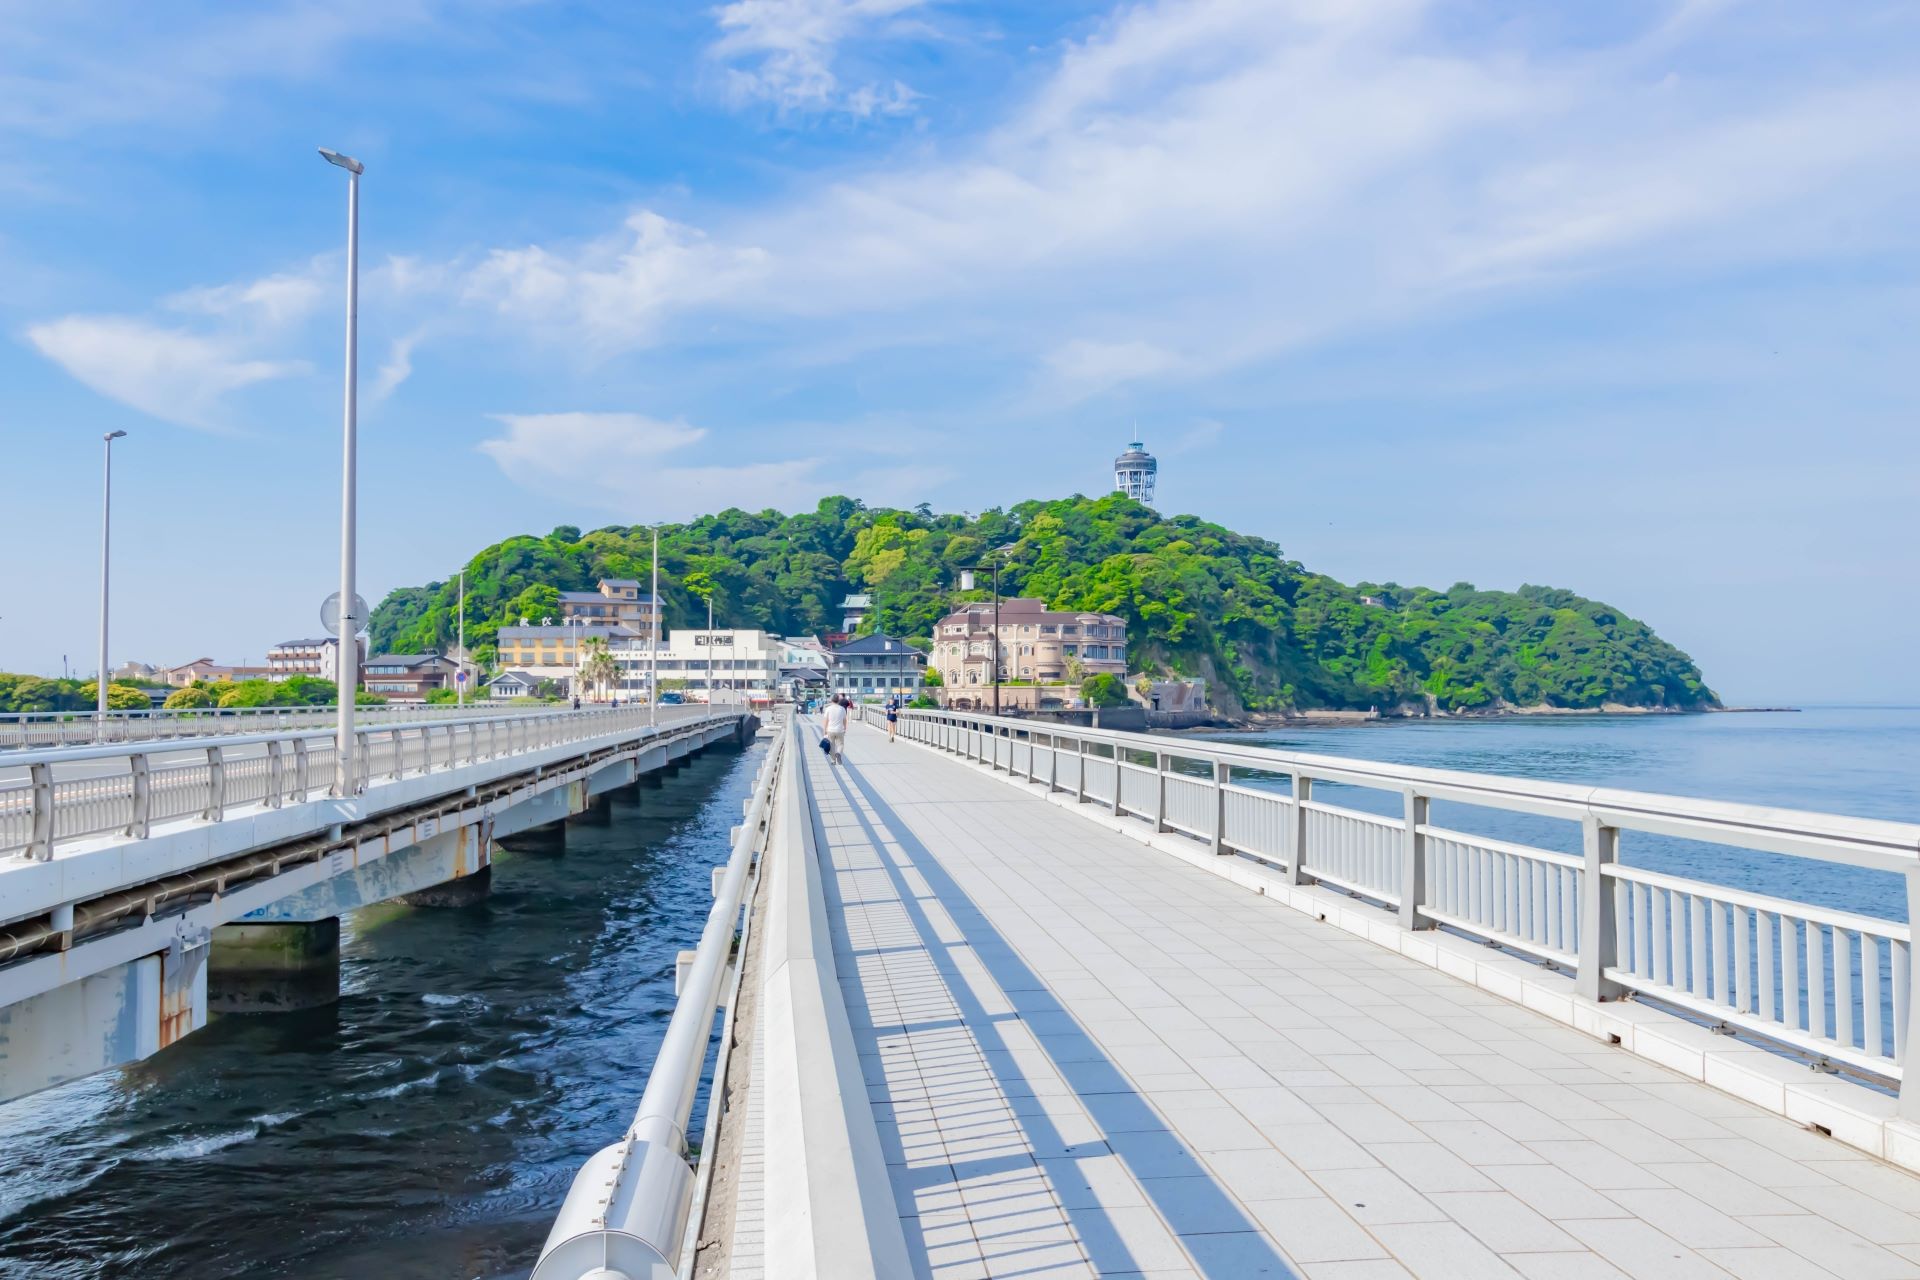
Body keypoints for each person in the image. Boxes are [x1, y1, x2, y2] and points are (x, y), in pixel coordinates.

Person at [823, 693, 850, 765]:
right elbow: (844, 720)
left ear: (831, 700)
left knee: (832, 745)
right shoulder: (842, 709)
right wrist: (845, 729)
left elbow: (826, 721)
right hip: (840, 730)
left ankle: (833, 761)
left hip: (830, 730)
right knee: (840, 744)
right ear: (839, 700)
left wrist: (824, 731)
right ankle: (838, 753)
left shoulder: (828, 709)